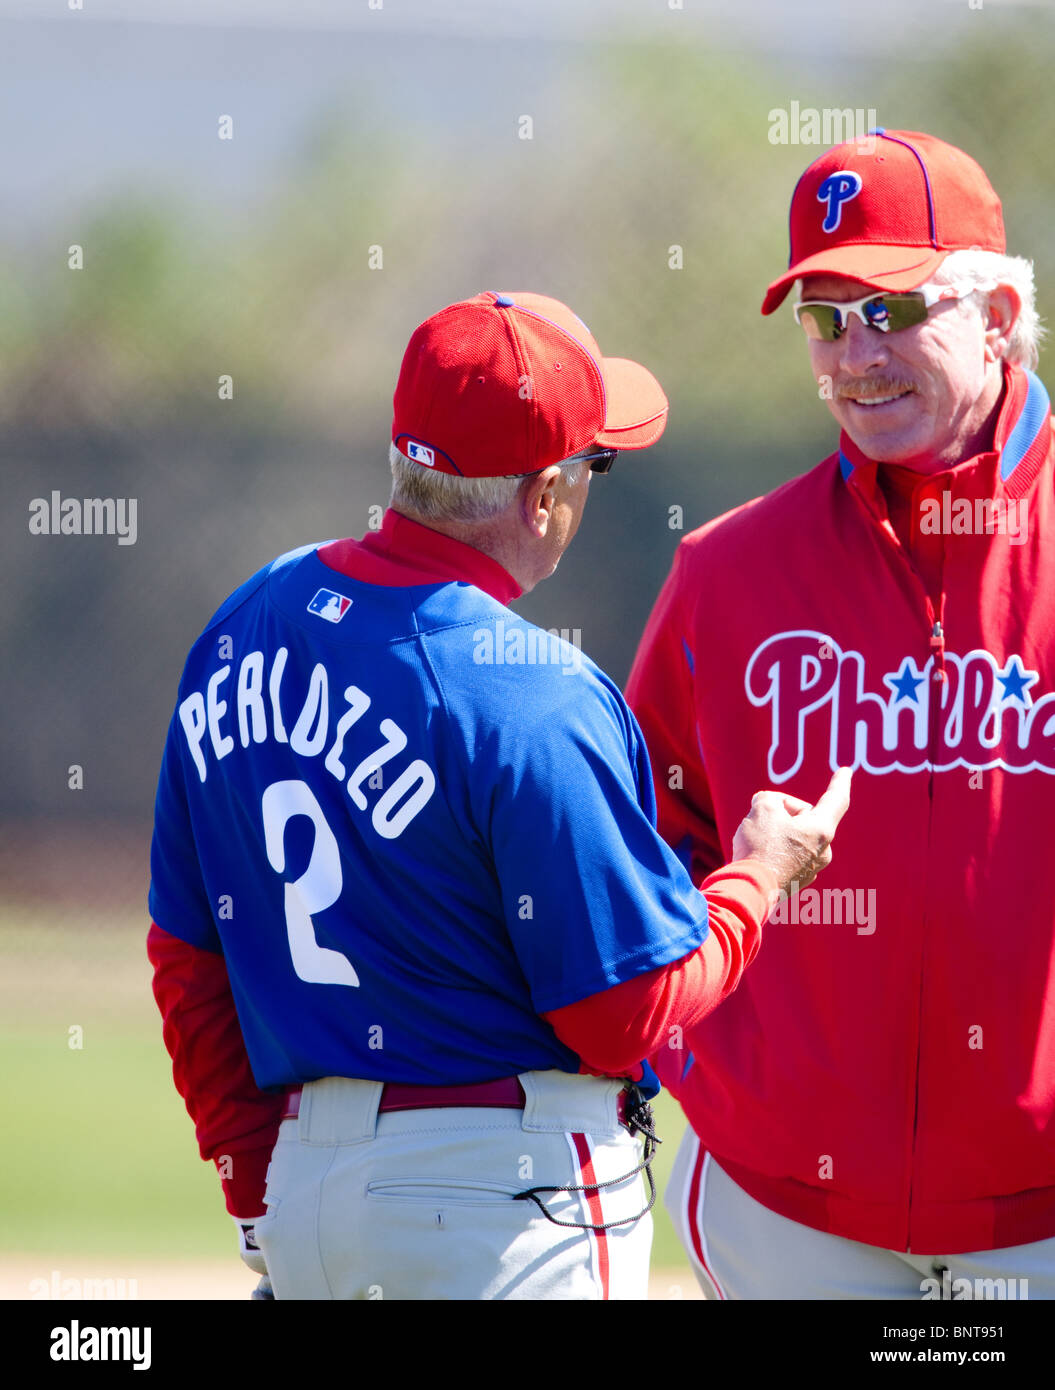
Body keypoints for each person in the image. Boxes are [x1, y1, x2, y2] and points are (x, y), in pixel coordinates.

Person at [147, 289, 849, 1301]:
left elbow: (186, 951)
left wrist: (257, 1183)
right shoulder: (531, 689)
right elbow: (624, 1010)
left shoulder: (243, 625)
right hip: (505, 1201)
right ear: (546, 494)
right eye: (593, 465)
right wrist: (756, 878)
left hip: (308, 1180)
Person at [627, 130, 1055, 1300]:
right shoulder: (726, 571)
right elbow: (638, 842)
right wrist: (693, 1058)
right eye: (823, 316)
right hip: (787, 1210)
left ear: (999, 312)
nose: (853, 354)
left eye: (891, 307)